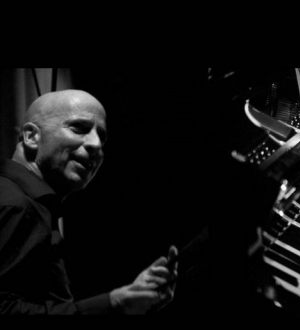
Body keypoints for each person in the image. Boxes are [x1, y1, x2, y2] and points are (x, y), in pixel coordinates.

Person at [0, 89, 177, 314]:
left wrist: (126, 300)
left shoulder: (26, 203)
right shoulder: (16, 205)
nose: (96, 145)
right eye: (78, 127)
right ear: (31, 136)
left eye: (102, 137)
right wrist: (114, 303)